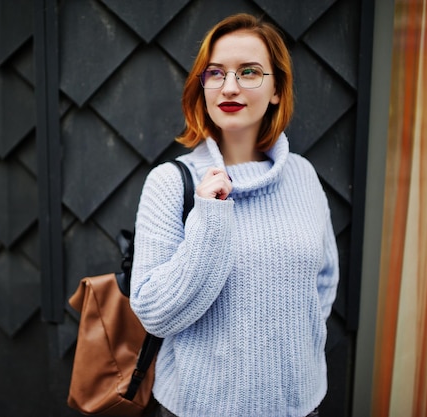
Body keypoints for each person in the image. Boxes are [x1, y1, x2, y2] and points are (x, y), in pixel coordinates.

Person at [129, 13, 339, 417]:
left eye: (249, 72)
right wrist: (209, 218)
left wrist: (289, 354)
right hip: (198, 409)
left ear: (276, 88)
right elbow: (154, 312)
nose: (230, 86)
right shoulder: (172, 183)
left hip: (298, 407)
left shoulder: (302, 176)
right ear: (201, 85)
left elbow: (325, 279)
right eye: (215, 73)